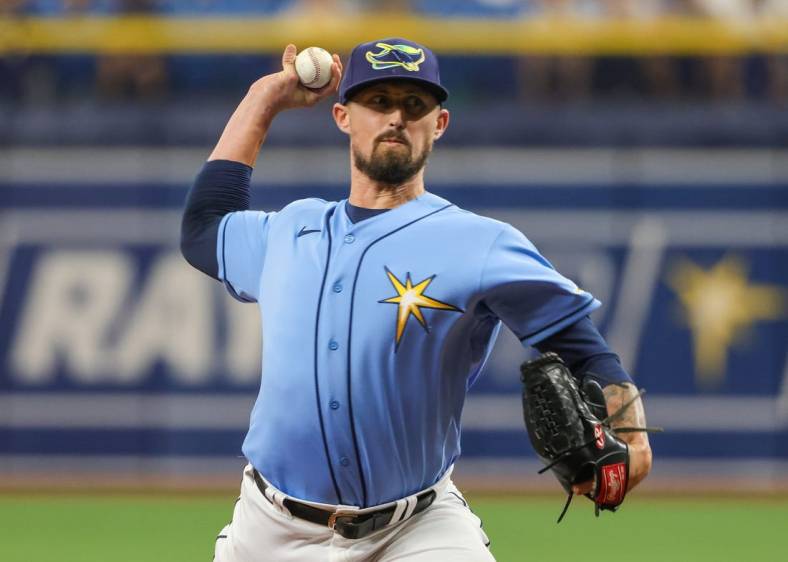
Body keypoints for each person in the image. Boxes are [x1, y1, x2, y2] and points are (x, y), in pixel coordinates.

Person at [180, 37, 653, 562]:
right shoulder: (290, 230)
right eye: (378, 102)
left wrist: (633, 438)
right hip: (271, 530)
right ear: (342, 116)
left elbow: (583, 349)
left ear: (440, 124)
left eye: (414, 105)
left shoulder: (479, 243)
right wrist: (263, 100)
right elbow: (204, 227)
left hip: (417, 530)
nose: (396, 118)